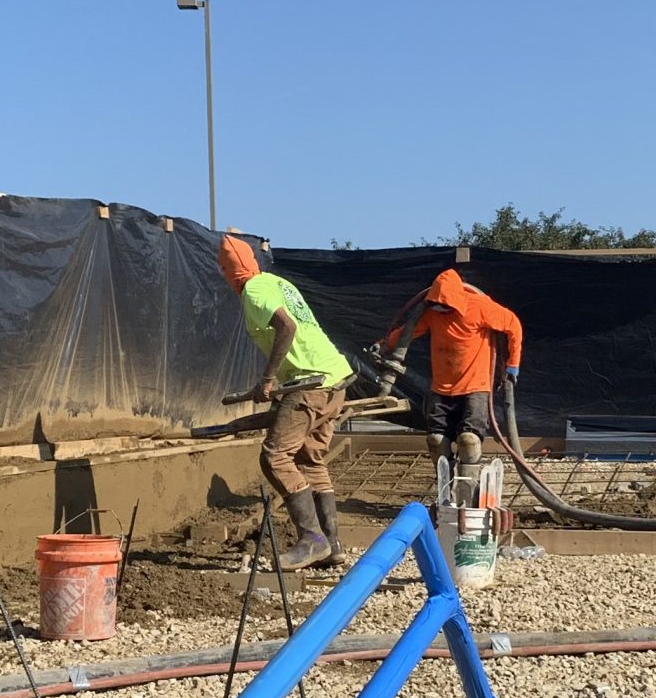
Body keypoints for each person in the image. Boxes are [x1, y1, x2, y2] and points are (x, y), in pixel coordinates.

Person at [218, 234, 354, 568]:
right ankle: (332, 543)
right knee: (309, 460)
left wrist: (267, 380)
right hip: (335, 379)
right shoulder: (276, 282)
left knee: (275, 456)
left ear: (228, 271)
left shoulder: (253, 290)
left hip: (311, 382)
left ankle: (312, 539)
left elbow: (287, 327)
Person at [378, 267, 524, 452]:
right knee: (436, 440)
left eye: (445, 306)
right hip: (441, 388)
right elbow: (407, 332)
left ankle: (469, 480)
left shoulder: (480, 306)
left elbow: (513, 325)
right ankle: (444, 478)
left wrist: (513, 364)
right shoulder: (431, 311)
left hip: (475, 386)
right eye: (438, 305)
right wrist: (384, 344)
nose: (442, 309)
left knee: (469, 440)